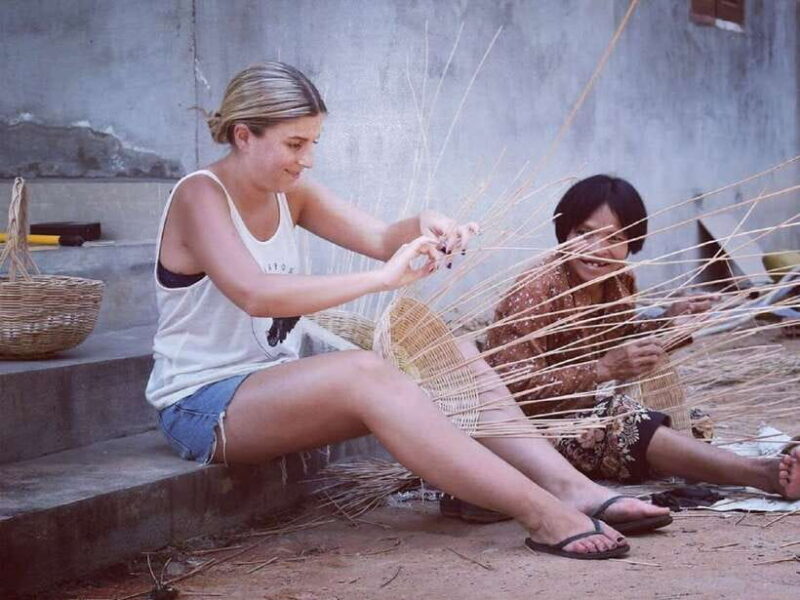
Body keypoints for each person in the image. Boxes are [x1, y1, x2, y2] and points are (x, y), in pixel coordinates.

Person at [146, 63, 670, 561]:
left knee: (452, 350)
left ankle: (571, 488)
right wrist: (382, 279)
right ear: (243, 136)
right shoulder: (200, 195)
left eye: (313, 144)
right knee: (362, 372)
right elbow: (255, 293)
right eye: (294, 144)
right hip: (201, 407)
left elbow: (380, 238)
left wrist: (427, 223)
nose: (307, 159)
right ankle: (544, 514)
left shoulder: (291, 192)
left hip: (272, 388)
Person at [481, 174, 800, 500]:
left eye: (613, 238)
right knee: (627, 423)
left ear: (631, 242)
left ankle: (762, 463)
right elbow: (511, 389)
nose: (596, 250)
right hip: (523, 432)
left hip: (581, 411)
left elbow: (620, 339)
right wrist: (601, 370)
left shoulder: (619, 281)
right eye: (583, 234)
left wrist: (672, 321)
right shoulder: (535, 290)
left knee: (692, 424)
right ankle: (763, 473)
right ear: (565, 231)